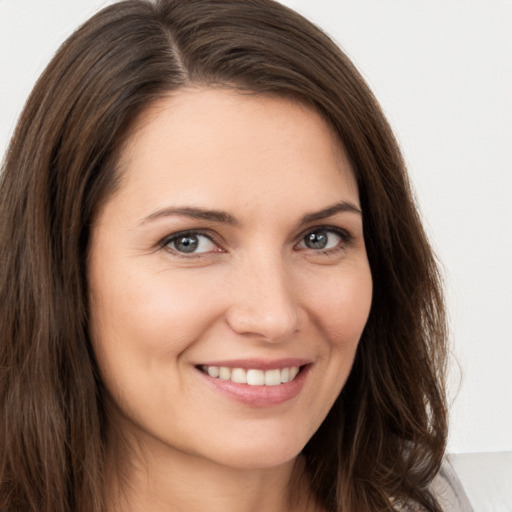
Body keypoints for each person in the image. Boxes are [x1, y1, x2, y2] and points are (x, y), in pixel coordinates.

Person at [0, 1, 474, 511]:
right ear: (62, 266)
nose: (274, 316)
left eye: (319, 238)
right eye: (190, 242)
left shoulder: (421, 495)